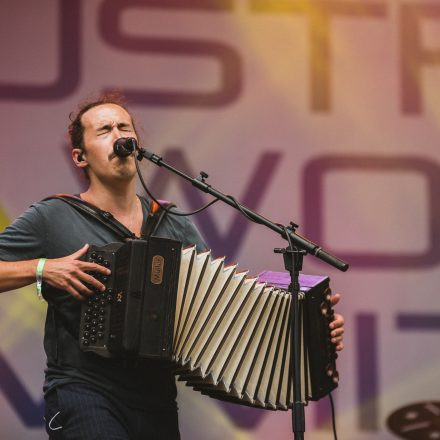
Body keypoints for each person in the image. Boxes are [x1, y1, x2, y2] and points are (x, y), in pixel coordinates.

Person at [0, 95, 345, 439]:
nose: (119, 134)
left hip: (156, 400)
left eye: (124, 127)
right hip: (84, 392)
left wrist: (309, 330)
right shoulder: (54, 217)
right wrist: (44, 268)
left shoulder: (171, 221)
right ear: (80, 156)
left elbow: (220, 306)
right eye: (104, 130)